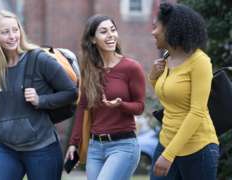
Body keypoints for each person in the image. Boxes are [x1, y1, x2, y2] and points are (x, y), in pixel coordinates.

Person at [0, 10, 77, 180]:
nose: (12, 36)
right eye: (5, 32)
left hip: (42, 148)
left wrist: (41, 100)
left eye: (15, 29)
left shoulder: (39, 59)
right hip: (7, 149)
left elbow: (71, 92)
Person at [66, 15, 146, 180]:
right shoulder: (89, 70)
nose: (111, 35)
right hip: (95, 148)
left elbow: (140, 107)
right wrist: (74, 143)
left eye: (113, 30)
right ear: (93, 40)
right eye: (103, 32)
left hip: (123, 146)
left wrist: (120, 105)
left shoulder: (132, 68)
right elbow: (82, 107)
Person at [149, 3, 219, 180]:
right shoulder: (167, 58)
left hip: (198, 148)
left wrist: (168, 155)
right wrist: (152, 77)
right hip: (166, 141)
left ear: (171, 29)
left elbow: (197, 112)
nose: (153, 32)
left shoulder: (200, 61)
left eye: (156, 27)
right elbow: (167, 95)